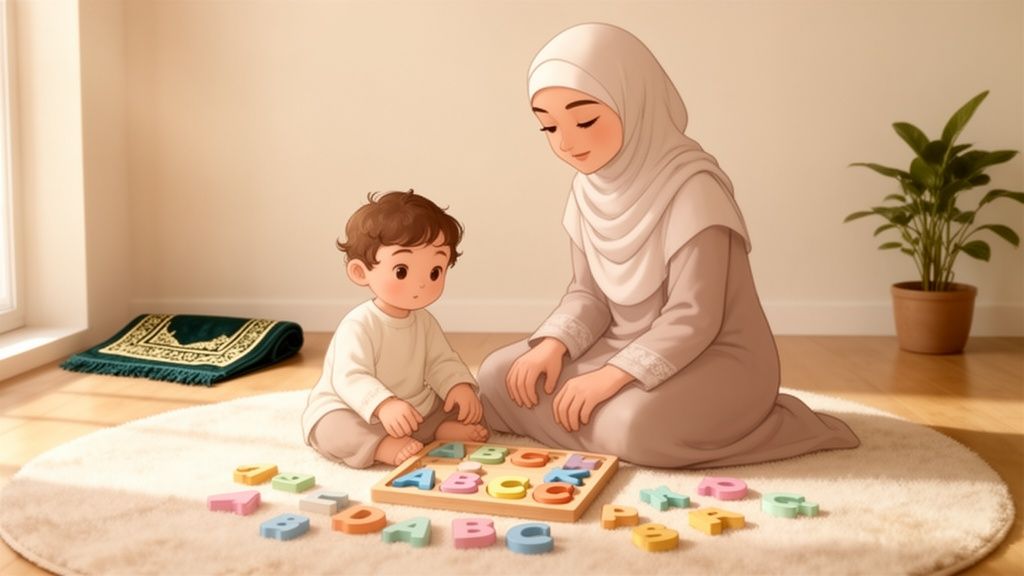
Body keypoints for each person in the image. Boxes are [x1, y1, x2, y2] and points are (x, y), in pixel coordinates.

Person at [477, 23, 859, 468]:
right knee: (497, 377)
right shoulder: (588, 190)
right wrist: (553, 346)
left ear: (634, 101)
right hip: (616, 345)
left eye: (585, 121)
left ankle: (777, 425)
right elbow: (588, 296)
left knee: (635, 427)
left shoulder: (692, 188)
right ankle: (594, 425)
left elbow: (694, 316)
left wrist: (610, 378)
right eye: (548, 126)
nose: (566, 142)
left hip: (715, 356)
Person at [302, 190, 488, 468]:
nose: (421, 283)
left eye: (434, 272)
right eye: (402, 271)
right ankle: (381, 445)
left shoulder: (424, 321)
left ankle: (437, 429)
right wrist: (384, 404)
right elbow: (350, 376)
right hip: (353, 409)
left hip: (413, 409)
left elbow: (440, 360)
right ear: (360, 272)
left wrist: (457, 385)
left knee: (468, 408)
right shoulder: (359, 324)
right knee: (331, 429)